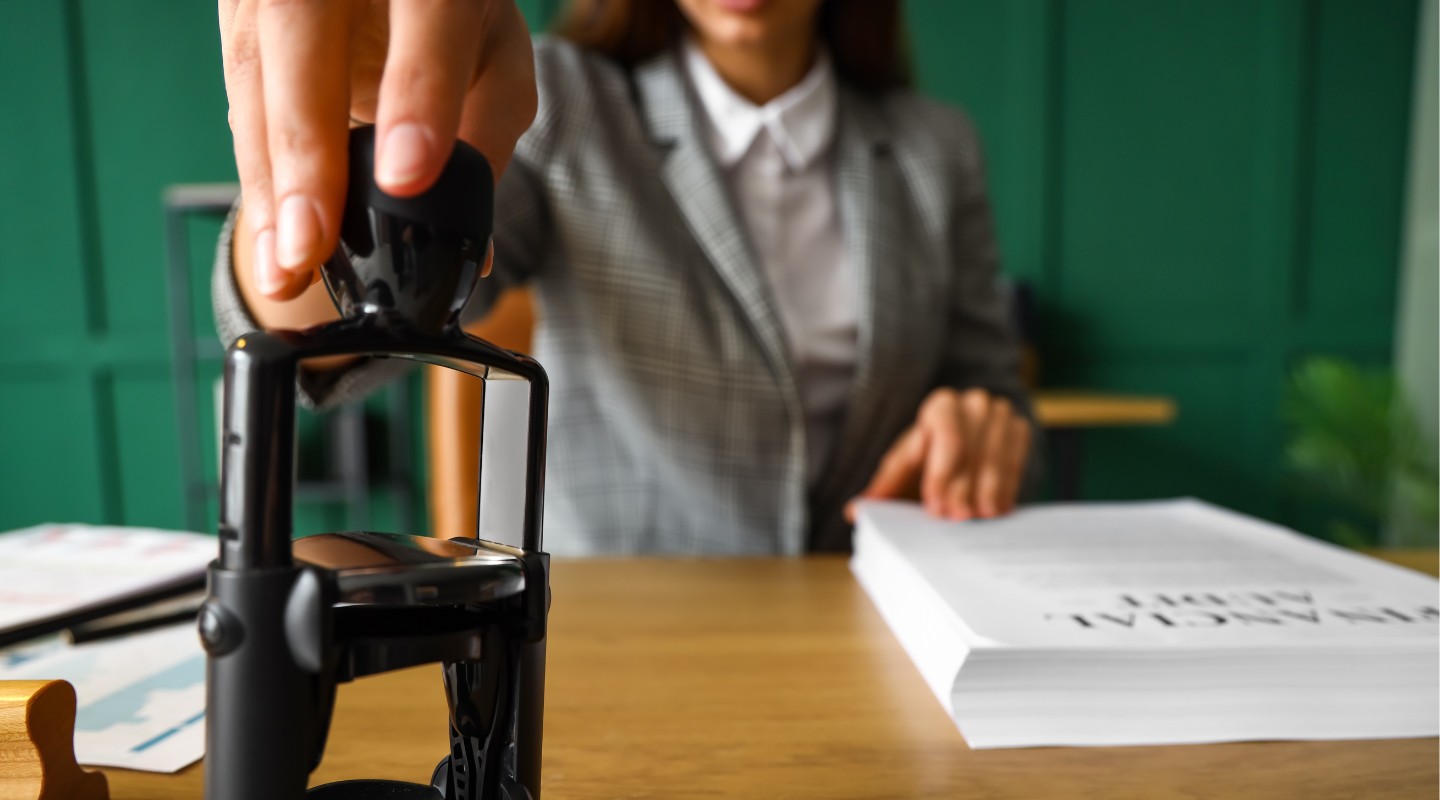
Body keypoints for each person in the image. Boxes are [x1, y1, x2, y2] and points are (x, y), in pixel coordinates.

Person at [213, 0, 1034, 555]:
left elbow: (994, 391)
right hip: (619, 635)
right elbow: (326, 339)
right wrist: (344, 161)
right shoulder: (565, 104)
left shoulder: (937, 148)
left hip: (867, 627)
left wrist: (983, 426)